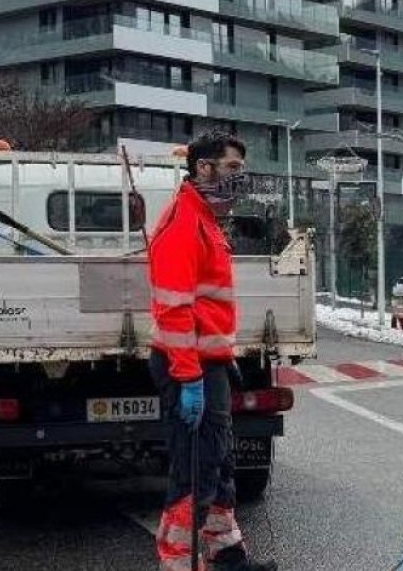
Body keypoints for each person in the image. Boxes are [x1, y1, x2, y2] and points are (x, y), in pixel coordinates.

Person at [148, 132, 276, 571]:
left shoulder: (204, 219)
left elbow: (204, 305)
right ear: (204, 168)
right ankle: (180, 564)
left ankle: (226, 556)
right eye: (233, 168)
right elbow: (174, 309)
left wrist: (220, 360)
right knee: (194, 472)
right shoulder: (184, 222)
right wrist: (189, 379)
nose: (240, 178)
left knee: (219, 464)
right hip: (191, 367)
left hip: (209, 364)